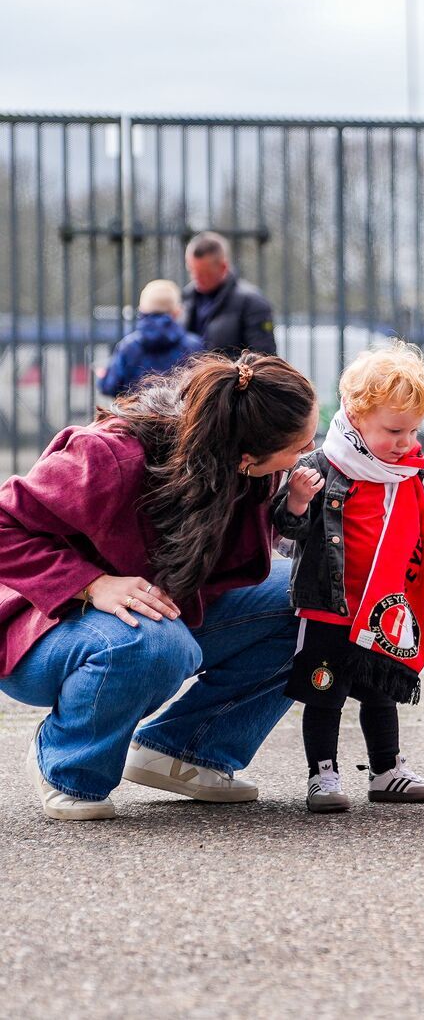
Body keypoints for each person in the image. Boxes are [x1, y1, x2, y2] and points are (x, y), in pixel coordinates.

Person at [0, 351, 317, 821]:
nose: (307, 455)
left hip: (161, 611)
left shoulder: (243, 470)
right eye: (299, 446)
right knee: (157, 645)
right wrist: (92, 583)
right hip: (48, 627)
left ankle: (185, 751)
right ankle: (67, 766)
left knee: (313, 606)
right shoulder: (111, 456)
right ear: (248, 455)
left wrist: (290, 514)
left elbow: (233, 558)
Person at [273, 344, 424, 814]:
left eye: (413, 430)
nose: (406, 442)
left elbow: (419, 520)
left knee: (379, 692)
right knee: (324, 692)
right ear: (355, 413)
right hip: (331, 604)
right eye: (394, 430)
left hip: (381, 608)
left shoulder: (404, 469)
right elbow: (287, 532)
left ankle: (386, 769)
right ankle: (322, 774)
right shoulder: (320, 466)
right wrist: (294, 502)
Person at [97, 279, 204, 398]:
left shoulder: (129, 347)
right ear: (177, 312)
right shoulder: (193, 346)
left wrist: (103, 377)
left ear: (142, 310)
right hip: (180, 415)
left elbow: (109, 387)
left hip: (136, 415)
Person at [183, 231, 277, 357]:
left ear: (223, 267)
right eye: (192, 271)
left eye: (205, 274)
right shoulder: (186, 297)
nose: (196, 278)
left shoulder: (252, 302)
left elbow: (263, 358)